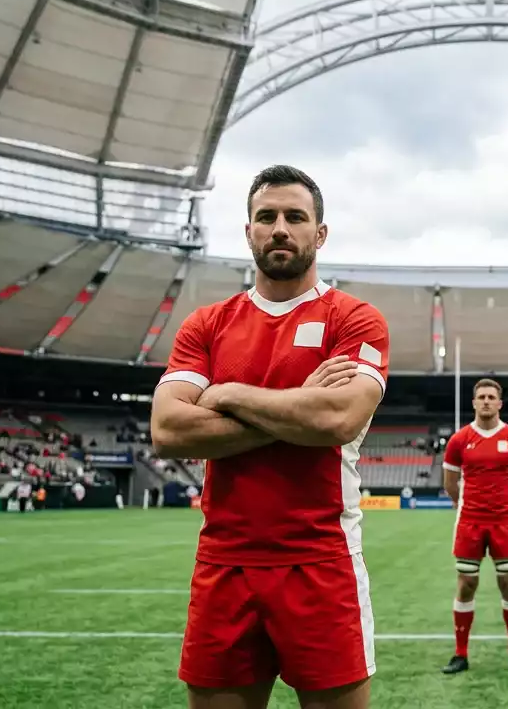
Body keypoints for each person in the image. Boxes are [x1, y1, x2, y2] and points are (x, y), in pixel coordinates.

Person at [151, 165, 390, 709]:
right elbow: (167, 430)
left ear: (319, 233)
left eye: (295, 217)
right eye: (267, 216)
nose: (280, 227)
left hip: (321, 561)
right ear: (249, 231)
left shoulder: (354, 319)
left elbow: (336, 421)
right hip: (223, 562)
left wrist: (228, 393)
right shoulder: (207, 324)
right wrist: (295, 407)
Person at [440, 378, 508, 676]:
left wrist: (506, 505)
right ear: (473, 402)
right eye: (481, 396)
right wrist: (467, 504)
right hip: (470, 521)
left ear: (499, 403)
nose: (486, 401)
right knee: (466, 585)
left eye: (491, 397)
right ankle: (460, 653)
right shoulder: (459, 440)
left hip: (504, 522)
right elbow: (450, 483)